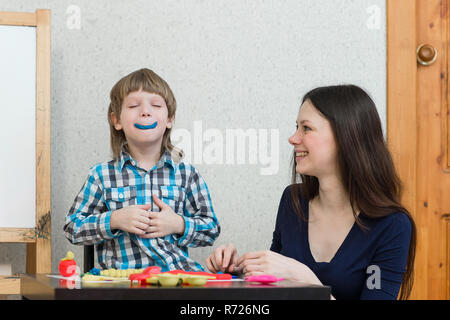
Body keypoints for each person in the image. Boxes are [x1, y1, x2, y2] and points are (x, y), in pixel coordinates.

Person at [206, 85, 416, 300]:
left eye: (306, 128)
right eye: (296, 127)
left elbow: (295, 276)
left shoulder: (391, 226)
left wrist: (308, 282)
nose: (293, 138)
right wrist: (236, 271)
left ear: (347, 135)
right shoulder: (293, 201)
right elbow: (275, 285)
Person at [64, 68, 220, 271]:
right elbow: (72, 227)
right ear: (116, 120)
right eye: (133, 105)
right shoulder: (101, 176)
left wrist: (179, 224)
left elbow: (211, 229)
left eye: (155, 105)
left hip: (174, 281)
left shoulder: (186, 175)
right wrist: (114, 220)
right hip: (120, 285)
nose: (145, 111)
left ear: (170, 119)